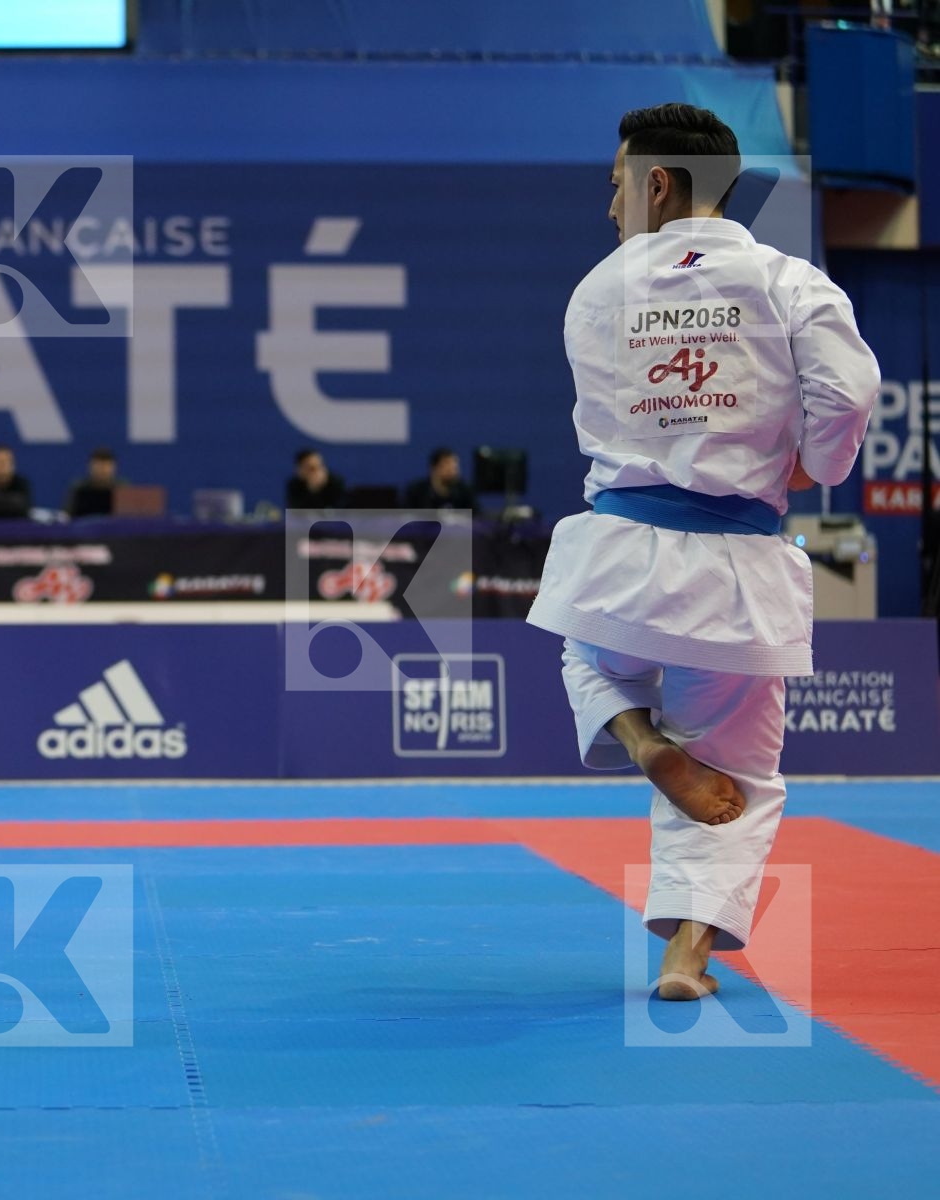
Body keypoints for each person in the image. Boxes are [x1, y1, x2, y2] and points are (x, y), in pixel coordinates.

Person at [526, 103, 878, 1001]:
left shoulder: (596, 290)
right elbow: (851, 388)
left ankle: (637, 736)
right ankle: (687, 952)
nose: (609, 207)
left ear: (656, 183)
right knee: (742, 772)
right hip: (735, 571)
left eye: (615, 185)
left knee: (584, 645)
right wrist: (810, 461)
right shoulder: (787, 281)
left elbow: (599, 424)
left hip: (620, 555)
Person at [404, 447, 476, 510]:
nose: (452, 473)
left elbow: (477, 519)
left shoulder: (465, 491)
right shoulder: (416, 492)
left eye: (455, 468)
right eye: (447, 468)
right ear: (433, 468)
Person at [63, 448, 121, 518]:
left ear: (114, 467)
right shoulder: (78, 489)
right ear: (90, 467)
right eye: (98, 466)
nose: (102, 470)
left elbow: (128, 519)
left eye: (106, 466)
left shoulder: (122, 489)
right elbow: (66, 516)